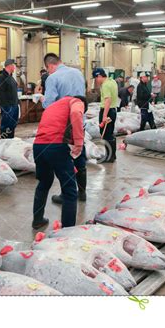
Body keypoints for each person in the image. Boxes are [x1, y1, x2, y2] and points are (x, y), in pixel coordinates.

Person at [32, 96, 86, 229]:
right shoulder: (76, 102)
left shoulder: (53, 106)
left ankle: (37, 220)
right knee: (70, 191)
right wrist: (79, 143)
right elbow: (75, 113)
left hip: (38, 146)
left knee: (43, 183)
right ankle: (67, 231)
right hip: (56, 147)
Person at [41, 53, 87, 204]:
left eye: (47, 70)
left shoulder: (52, 78)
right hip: (79, 120)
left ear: (50, 66)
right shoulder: (78, 73)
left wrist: (42, 100)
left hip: (63, 126)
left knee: (65, 161)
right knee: (79, 156)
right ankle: (82, 193)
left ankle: (67, 194)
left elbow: (49, 105)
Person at [94, 68, 118, 162]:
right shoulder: (112, 81)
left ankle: (109, 156)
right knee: (110, 134)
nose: (96, 80)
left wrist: (104, 116)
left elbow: (108, 100)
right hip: (113, 111)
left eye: (96, 78)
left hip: (107, 110)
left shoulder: (105, 85)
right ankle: (112, 155)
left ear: (99, 76)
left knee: (105, 134)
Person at [0, 59, 19, 139]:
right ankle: (4, 141)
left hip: (14, 105)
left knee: (13, 124)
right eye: (14, 65)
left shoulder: (11, 77)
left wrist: (17, 103)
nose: (14, 67)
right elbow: (1, 94)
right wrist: (6, 107)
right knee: (6, 125)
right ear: (9, 66)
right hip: (8, 106)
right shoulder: (1, 78)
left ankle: (11, 140)